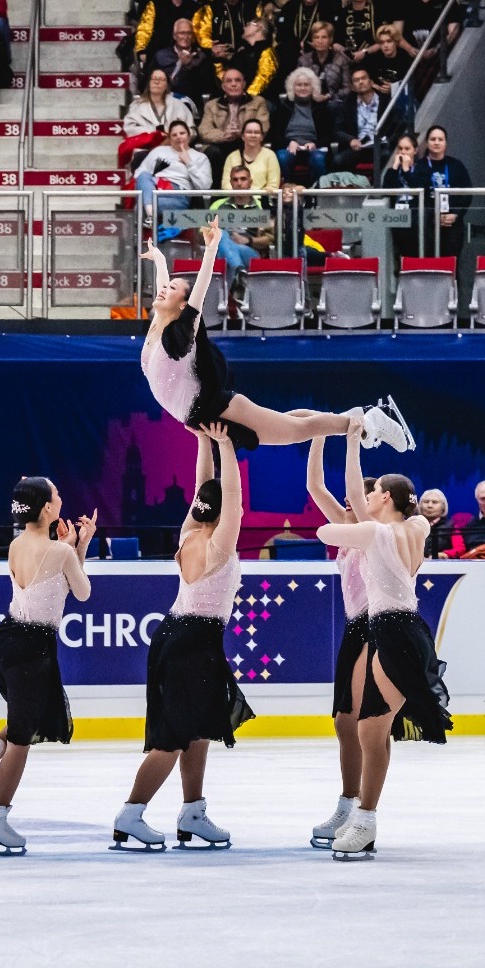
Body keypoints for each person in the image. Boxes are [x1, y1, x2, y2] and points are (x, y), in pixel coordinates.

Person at [139, 222, 412, 451]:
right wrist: (160, 259)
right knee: (289, 424)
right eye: (166, 286)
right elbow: (165, 286)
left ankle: (366, 422)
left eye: (172, 288)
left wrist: (211, 250)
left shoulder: (183, 332)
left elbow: (198, 294)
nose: (163, 289)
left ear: (183, 306)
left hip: (216, 407)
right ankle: (350, 418)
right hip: (202, 413)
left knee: (295, 430)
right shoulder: (156, 326)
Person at [112, 423, 252, 852]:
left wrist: (202, 441)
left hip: (180, 634)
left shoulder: (190, 532)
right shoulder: (220, 543)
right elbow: (230, 497)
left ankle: (193, 812)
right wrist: (225, 444)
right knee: (174, 737)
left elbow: (203, 488)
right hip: (194, 640)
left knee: (199, 728)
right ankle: (131, 814)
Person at [311, 439, 451, 859]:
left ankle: (365, 819)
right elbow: (396, 512)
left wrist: (352, 436)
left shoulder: (375, 531)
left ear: (384, 498)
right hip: (396, 627)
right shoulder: (417, 527)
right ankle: (359, 815)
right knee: (364, 727)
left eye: (372, 494)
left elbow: (324, 528)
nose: (362, 497)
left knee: (371, 729)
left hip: (391, 629)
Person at [0, 477, 95, 855]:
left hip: (6, 642)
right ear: (48, 508)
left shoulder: (18, 544)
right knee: (23, 735)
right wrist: (78, 545)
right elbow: (82, 592)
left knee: (31, 719)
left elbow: (63, 581)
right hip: (32, 648)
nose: (62, 498)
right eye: (57, 495)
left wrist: (70, 547)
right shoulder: (60, 552)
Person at [304, 431, 375, 848]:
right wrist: (316, 434)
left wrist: (350, 441)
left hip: (374, 628)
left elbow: (352, 491)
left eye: (359, 498)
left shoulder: (370, 531)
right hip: (354, 629)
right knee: (343, 723)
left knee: (362, 725)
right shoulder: (347, 527)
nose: (349, 503)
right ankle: (349, 805)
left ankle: (362, 810)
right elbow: (315, 486)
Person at [413, 124, 473, 259]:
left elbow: (467, 194)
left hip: (452, 225)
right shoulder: (419, 166)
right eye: (433, 139)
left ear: (445, 143)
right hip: (427, 225)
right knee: (429, 266)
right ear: (427, 142)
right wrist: (432, 216)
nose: (436, 142)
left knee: (451, 266)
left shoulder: (456, 166)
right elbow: (416, 197)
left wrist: (456, 214)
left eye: (440, 139)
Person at [120, 65, 196, 168]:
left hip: (174, 148)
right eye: (154, 79)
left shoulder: (179, 105)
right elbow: (129, 129)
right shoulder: (136, 106)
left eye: (161, 80)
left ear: (167, 85)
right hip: (145, 150)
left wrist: (172, 138)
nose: (157, 82)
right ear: (149, 83)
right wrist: (154, 136)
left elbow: (191, 131)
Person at [271, 66, 332, 185]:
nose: (302, 88)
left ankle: (317, 194)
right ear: (292, 87)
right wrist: (289, 143)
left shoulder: (322, 108)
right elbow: (274, 135)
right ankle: (287, 194)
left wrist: (315, 144)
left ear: (313, 87)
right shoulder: (283, 107)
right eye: (299, 85)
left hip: (313, 148)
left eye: (306, 84)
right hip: (290, 147)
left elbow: (329, 135)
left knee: (318, 159)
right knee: (282, 157)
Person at [219, 116, 278, 189]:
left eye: (257, 132)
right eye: (249, 132)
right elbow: (225, 184)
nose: (253, 135)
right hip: (236, 198)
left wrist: (252, 197)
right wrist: (241, 196)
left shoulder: (270, 155)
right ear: (243, 136)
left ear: (262, 137)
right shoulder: (232, 156)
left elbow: (273, 185)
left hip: (261, 198)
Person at [417, 488, 455, 557]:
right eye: (426, 502)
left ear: (443, 507)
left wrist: (445, 554)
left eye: (434, 502)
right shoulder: (412, 525)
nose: (429, 505)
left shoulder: (452, 526)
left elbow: (459, 549)